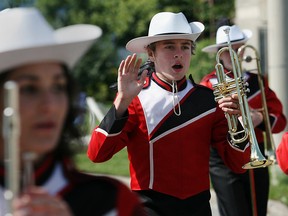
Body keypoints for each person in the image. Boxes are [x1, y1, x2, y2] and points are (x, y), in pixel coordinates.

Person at [87, 11, 251, 216]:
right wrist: (121, 101)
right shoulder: (135, 98)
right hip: (149, 207)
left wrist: (237, 120)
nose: (178, 54)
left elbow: (238, 165)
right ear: (151, 53)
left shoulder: (209, 99)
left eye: (185, 47)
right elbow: (97, 154)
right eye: (169, 46)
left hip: (198, 207)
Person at [0, 7, 145, 216]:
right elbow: (98, 151)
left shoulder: (111, 201)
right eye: (29, 89)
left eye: (58, 87)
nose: (50, 105)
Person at [200, 24, 287, 216]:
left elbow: (280, 121)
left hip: (256, 154)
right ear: (219, 54)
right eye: (228, 50)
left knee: (257, 211)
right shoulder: (207, 85)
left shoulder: (258, 81)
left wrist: (260, 117)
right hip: (223, 159)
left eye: (239, 48)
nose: (234, 54)